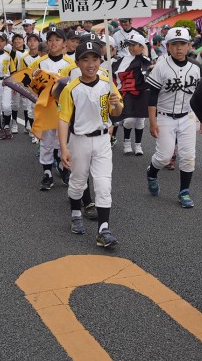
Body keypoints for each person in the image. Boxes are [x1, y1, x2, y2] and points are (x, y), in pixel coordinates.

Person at [58, 36, 124, 247]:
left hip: (103, 139)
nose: (91, 64)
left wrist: (116, 104)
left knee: (104, 184)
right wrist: (63, 148)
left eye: (95, 59)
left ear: (100, 61)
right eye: (85, 60)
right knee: (78, 181)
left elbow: (116, 111)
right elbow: (63, 120)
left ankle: (103, 230)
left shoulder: (107, 83)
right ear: (77, 63)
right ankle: (76, 212)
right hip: (80, 141)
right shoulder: (71, 88)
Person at [145, 26, 201, 208]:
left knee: (188, 156)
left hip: (188, 116)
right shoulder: (161, 67)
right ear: (167, 46)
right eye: (174, 44)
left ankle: (184, 191)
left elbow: (201, 96)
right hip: (164, 116)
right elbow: (152, 96)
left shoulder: (196, 67)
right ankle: (152, 173)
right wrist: (152, 121)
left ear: (189, 45)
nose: (179, 48)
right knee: (164, 156)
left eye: (182, 44)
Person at [29, 26, 75, 190]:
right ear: (47, 43)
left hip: (64, 108)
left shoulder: (71, 63)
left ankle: (63, 168)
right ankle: (47, 173)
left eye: (57, 39)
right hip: (46, 107)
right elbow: (31, 85)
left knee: (63, 140)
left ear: (64, 43)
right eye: (50, 40)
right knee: (47, 141)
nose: (53, 43)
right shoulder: (38, 63)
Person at [113, 34, 151, 155]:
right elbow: (114, 72)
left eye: (134, 45)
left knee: (140, 120)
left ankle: (138, 146)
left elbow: (148, 74)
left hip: (142, 93)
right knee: (128, 119)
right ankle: (127, 143)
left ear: (141, 46)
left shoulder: (146, 61)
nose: (131, 48)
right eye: (130, 45)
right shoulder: (123, 60)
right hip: (128, 93)